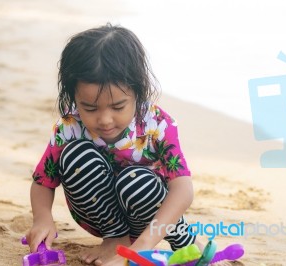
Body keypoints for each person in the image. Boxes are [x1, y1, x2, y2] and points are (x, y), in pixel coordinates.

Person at [25, 23, 202, 265]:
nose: (105, 120)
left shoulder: (157, 124)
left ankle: (184, 242)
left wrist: (142, 247)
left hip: (149, 213)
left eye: (118, 107)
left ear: (138, 92)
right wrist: (42, 218)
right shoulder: (70, 126)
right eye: (89, 108)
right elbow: (43, 181)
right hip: (99, 217)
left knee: (138, 181)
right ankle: (115, 239)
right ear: (74, 96)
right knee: (76, 155)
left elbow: (183, 190)